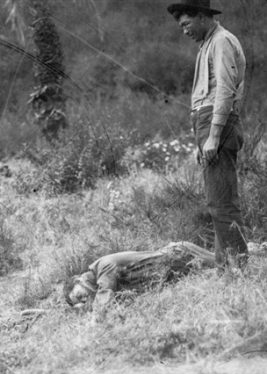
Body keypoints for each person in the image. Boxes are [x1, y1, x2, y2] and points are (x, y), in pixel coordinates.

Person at [168, 0, 248, 273]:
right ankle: (225, 265)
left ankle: (238, 269)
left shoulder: (222, 41)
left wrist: (213, 136)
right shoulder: (208, 43)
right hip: (209, 122)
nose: (184, 31)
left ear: (203, 17)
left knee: (222, 201)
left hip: (217, 122)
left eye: (187, 24)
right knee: (217, 201)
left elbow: (225, 91)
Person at [64, 241, 216, 310]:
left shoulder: (103, 267)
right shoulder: (102, 280)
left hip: (180, 255)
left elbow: (103, 304)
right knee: (228, 266)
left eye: (79, 295)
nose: (84, 300)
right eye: (80, 302)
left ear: (81, 279)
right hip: (180, 269)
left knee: (230, 263)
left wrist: (91, 321)